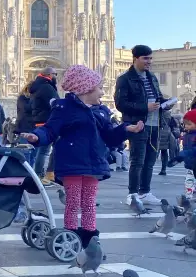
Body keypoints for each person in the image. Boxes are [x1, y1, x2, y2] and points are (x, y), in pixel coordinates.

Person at [22, 65, 143, 248]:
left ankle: (89, 234)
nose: (102, 92)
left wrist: (126, 129)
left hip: (93, 163)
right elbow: (50, 129)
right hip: (71, 163)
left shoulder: (100, 111)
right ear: (86, 89)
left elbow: (109, 135)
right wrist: (37, 136)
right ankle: (70, 233)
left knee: (88, 202)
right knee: (73, 201)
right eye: (100, 88)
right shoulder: (64, 108)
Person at [115, 44, 170, 206]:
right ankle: (132, 194)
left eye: (150, 58)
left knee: (150, 161)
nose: (149, 61)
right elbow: (120, 104)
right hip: (138, 124)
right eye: (146, 58)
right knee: (137, 160)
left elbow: (158, 97)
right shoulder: (125, 79)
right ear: (135, 59)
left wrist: (166, 103)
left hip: (155, 124)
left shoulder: (152, 77)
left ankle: (145, 192)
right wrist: (144, 107)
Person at [29, 67, 59, 183]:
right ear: (49, 75)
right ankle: (43, 175)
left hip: (40, 120)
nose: (56, 76)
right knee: (47, 150)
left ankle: (43, 174)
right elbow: (55, 103)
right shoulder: (47, 87)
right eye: (55, 74)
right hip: (48, 121)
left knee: (43, 150)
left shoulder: (38, 86)